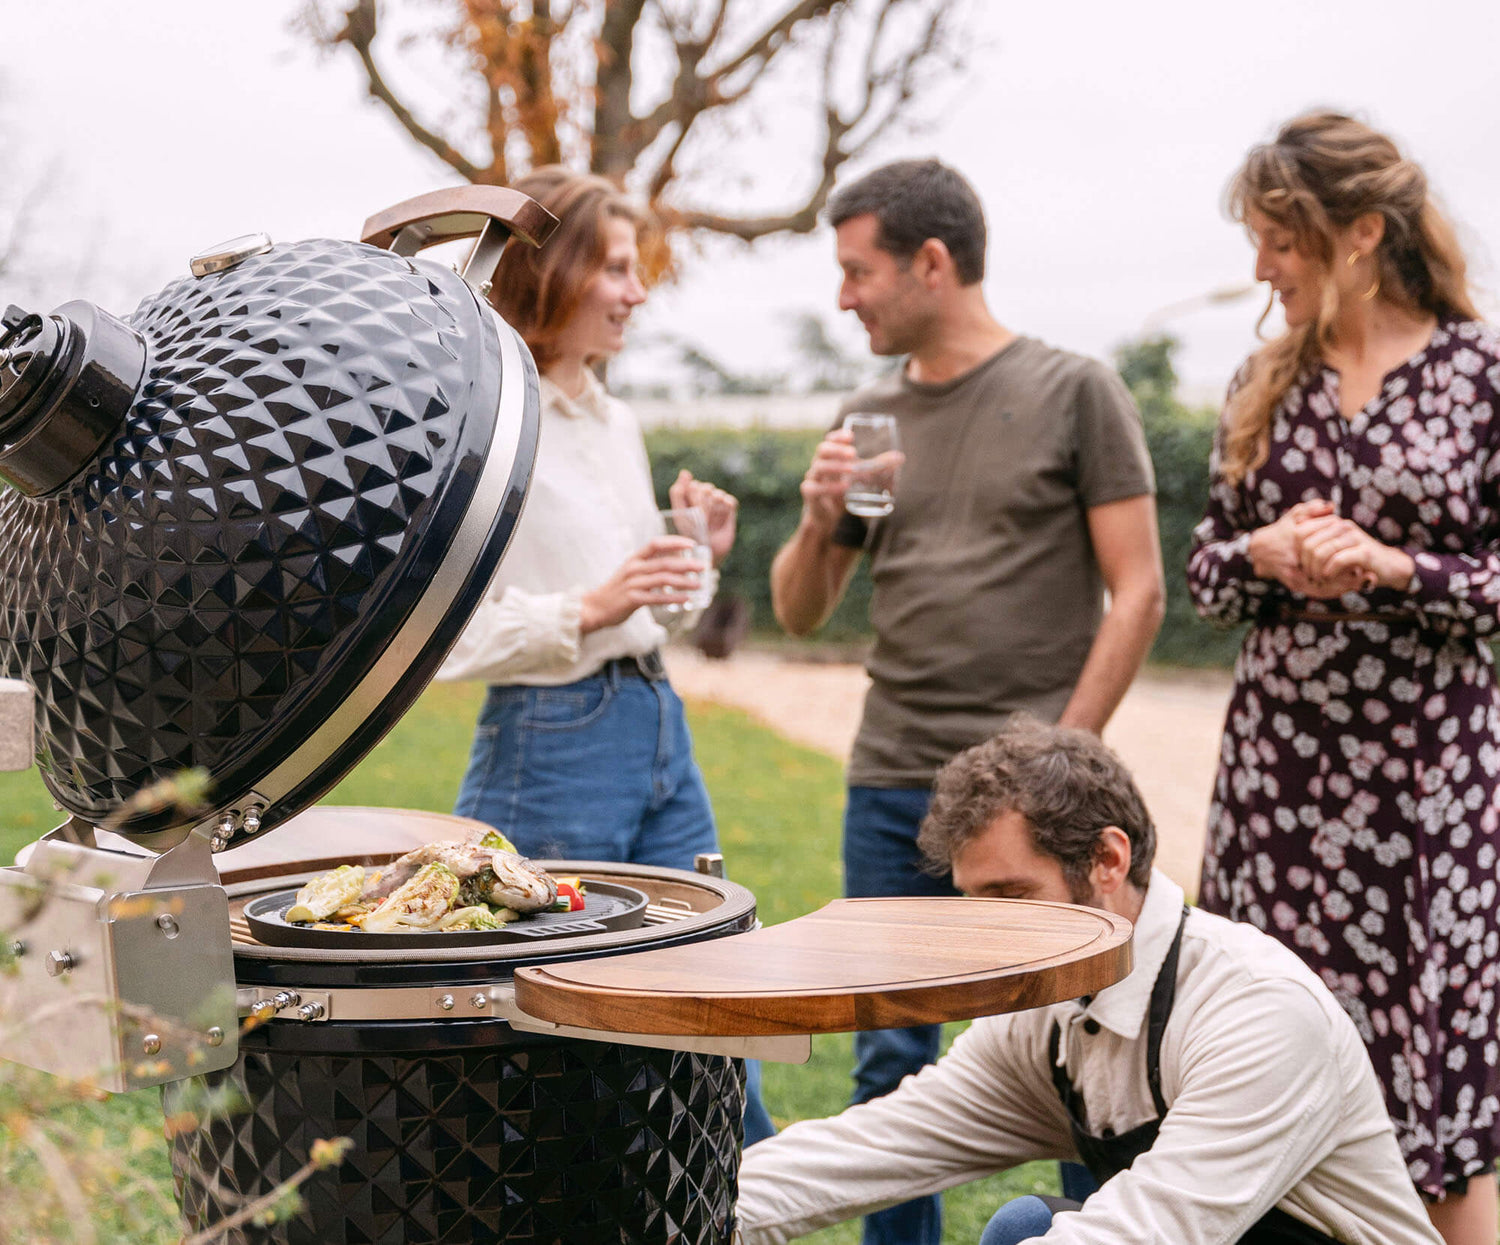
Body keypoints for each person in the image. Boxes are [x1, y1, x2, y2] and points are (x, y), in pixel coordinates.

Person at [769, 158, 1165, 1243]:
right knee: (892, 1060)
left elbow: (1139, 590)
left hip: (1036, 807)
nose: (844, 296)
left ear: (930, 263)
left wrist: (1065, 761)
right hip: (892, 775)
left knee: (1090, 1051)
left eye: (858, 272)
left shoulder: (1073, 390)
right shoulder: (870, 419)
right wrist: (814, 521)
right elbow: (804, 610)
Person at [734, 718, 1445, 1245]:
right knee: (1025, 1226)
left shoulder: (1257, 1010)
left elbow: (1154, 1229)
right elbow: (874, 1144)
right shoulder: (1043, 1020)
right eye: (975, 902)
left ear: (1108, 858)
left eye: (1011, 896)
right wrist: (691, 1213)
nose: (988, 936)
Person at [1186, 112, 1500, 1245]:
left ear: (1361, 233)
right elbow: (1206, 575)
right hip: (1281, 777)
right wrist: (1261, 555)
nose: (1261, 268)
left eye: (1282, 241)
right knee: (1266, 1044)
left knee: (1428, 1071)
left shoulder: (1480, 376)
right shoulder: (1264, 379)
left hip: (1426, 778)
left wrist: (1396, 566)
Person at [435, 166, 773, 1144]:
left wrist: (693, 562)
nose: (637, 291)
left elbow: (647, 610)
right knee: (531, 1021)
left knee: (710, 984)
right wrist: (591, 605)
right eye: (617, 269)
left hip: (654, 720)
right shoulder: (491, 423)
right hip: (551, 738)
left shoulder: (614, 419)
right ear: (556, 274)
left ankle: (741, 1187)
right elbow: (445, 635)